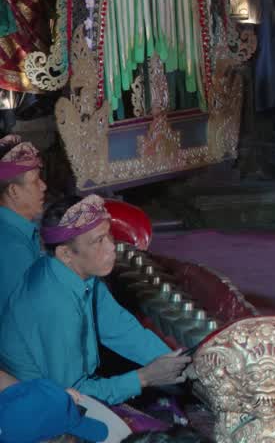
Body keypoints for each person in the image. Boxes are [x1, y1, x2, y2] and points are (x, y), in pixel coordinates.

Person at [0, 196, 190, 407]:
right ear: (66, 253)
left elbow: (119, 327)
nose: (111, 247)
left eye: (108, 234)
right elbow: (73, 395)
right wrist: (143, 378)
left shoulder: (76, 272)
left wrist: (176, 362)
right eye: (98, 241)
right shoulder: (54, 305)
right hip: (38, 405)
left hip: (73, 385)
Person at [0, 136, 46, 305]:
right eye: (35, 181)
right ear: (14, 191)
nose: (43, 186)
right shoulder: (12, 249)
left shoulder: (17, 232)